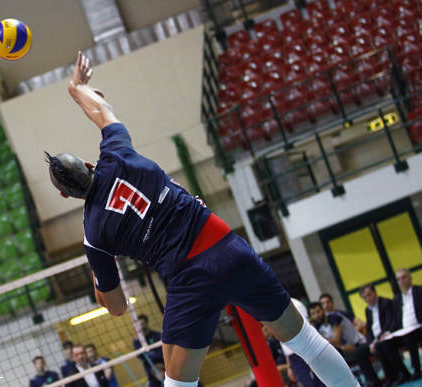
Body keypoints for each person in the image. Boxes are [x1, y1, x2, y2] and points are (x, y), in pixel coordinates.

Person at [46, 50, 358, 387]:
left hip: (189, 279)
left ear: (66, 196)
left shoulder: (94, 233)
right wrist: (76, 89)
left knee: (178, 384)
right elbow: (102, 111)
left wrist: (98, 275)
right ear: (90, 164)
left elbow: (118, 306)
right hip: (227, 247)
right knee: (305, 342)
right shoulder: (118, 155)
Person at [309, 302, 380, 386]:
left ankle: (372, 383)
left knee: (335, 355)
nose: (317, 315)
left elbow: (336, 341)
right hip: (345, 349)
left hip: (360, 344)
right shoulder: (317, 326)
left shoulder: (334, 318)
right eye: (313, 314)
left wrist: (315, 334)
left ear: (323, 310)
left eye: (318, 311)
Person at [360, 284, 410, 385]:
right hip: (376, 340)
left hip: (389, 335)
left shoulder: (385, 302)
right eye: (365, 297)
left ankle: (400, 374)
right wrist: (370, 343)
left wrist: (376, 340)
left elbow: (389, 323)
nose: (368, 298)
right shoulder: (367, 310)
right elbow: (369, 330)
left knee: (382, 345)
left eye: (369, 295)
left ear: (375, 293)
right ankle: (375, 382)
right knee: (359, 352)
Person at [282, 299, 325, 387]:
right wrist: (289, 367)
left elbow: (306, 331)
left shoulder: (295, 305)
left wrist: (311, 357)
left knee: (320, 383)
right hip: (293, 357)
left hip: (305, 352)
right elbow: (284, 343)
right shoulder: (274, 307)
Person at [392, 268, 422, 381]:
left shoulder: (419, 291)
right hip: (403, 331)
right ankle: (403, 374)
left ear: (410, 277)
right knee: (385, 344)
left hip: (419, 327)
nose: (401, 281)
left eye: (404, 277)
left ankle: (417, 370)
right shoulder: (397, 299)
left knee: (409, 337)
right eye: (398, 279)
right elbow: (395, 320)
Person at [132, 314, 164, 387]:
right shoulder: (136, 341)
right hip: (150, 370)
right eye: (139, 325)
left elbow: (161, 352)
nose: (141, 327)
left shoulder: (157, 335)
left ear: (147, 323)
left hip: (164, 367)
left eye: (143, 324)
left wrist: (150, 355)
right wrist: (152, 354)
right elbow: (141, 356)